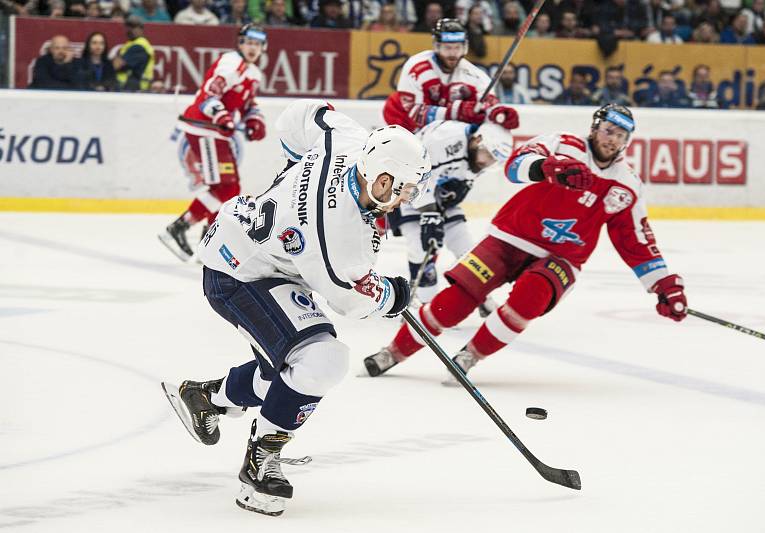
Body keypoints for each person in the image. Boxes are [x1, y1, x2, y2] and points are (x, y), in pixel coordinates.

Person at [161, 99, 429, 516]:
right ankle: (260, 459)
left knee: (283, 377)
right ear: (377, 174)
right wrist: (392, 295)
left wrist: (294, 178)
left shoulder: (349, 140)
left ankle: (207, 397)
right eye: (396, 189)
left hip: (256, 249)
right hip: (238, 272)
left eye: (408, 192)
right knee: (322, 360)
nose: (399, 199)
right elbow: (350, 300)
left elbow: (301, 117)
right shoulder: (340, 234)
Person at [363, 104, 689, 379]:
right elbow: (515, 165)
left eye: (619, 136)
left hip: (563, 256)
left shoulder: (626, 185)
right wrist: (547, 167)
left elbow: (634, 237)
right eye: (607, 130)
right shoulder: (563, 145)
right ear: (595, 128)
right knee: (459, 298)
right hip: (511, 236)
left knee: (528, 299)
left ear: (626, 142)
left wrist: (662, 284)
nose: (611, 139)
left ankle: (470, 356)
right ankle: (394, 351)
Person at [158, 24, 268, 261]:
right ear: (240, 43)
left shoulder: (254, 74)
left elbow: (247, 104)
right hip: (203, 127)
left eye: (257, 44)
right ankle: (188, 233)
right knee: (228, 189)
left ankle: (201, 239)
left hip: (216, 132)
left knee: (227, 189)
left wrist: (255, 119)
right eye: (248, 42)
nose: (252, 48)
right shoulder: (230, 63)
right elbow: (208, 95)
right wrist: (223, 116)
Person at [389, 120, 512, 312]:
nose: (486, 163)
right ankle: (425, 305)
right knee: (420, 248)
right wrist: (430, 214)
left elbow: (458, 180)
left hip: (437, 196)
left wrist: (453, 194)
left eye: (493, 160)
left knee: (465, 247)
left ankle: (478, 295)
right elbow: (416, 175)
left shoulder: (476, 154)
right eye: (487, 155)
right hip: (406, 191)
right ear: (477, 139)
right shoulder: (447, 140)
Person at [383, 18, 519, 133]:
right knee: (395, 103)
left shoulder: (475, 76)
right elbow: (413, 112)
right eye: (447, 48)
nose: (453, 54)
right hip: (409, 131)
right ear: (437, 46)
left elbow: (487, 105)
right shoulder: (417, 67)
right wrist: (457, 111)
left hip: (448, 137)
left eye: (457, 48)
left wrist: (499, 113)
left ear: (465, 47)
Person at [113, 16, 155, 91]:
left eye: (134, 27)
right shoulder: (131, 44)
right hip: (130, 86)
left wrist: (116, 60)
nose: (130, 30)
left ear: (141, 29)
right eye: (128, 27)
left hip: (133, 88)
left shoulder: (139, 46)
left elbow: (117, 65)